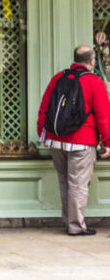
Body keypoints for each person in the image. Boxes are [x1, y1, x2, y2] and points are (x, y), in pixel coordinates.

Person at [37, 45, 110, 235]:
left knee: (65, 181)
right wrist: (108, 142)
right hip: (82, 142)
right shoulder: (95, 82)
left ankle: (68, 221)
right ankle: (76, 226)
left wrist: (43, 134)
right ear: (92, 61)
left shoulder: (59, 78)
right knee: (78, 183)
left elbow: (45, 107)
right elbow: (104, 116)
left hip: (57, 141)